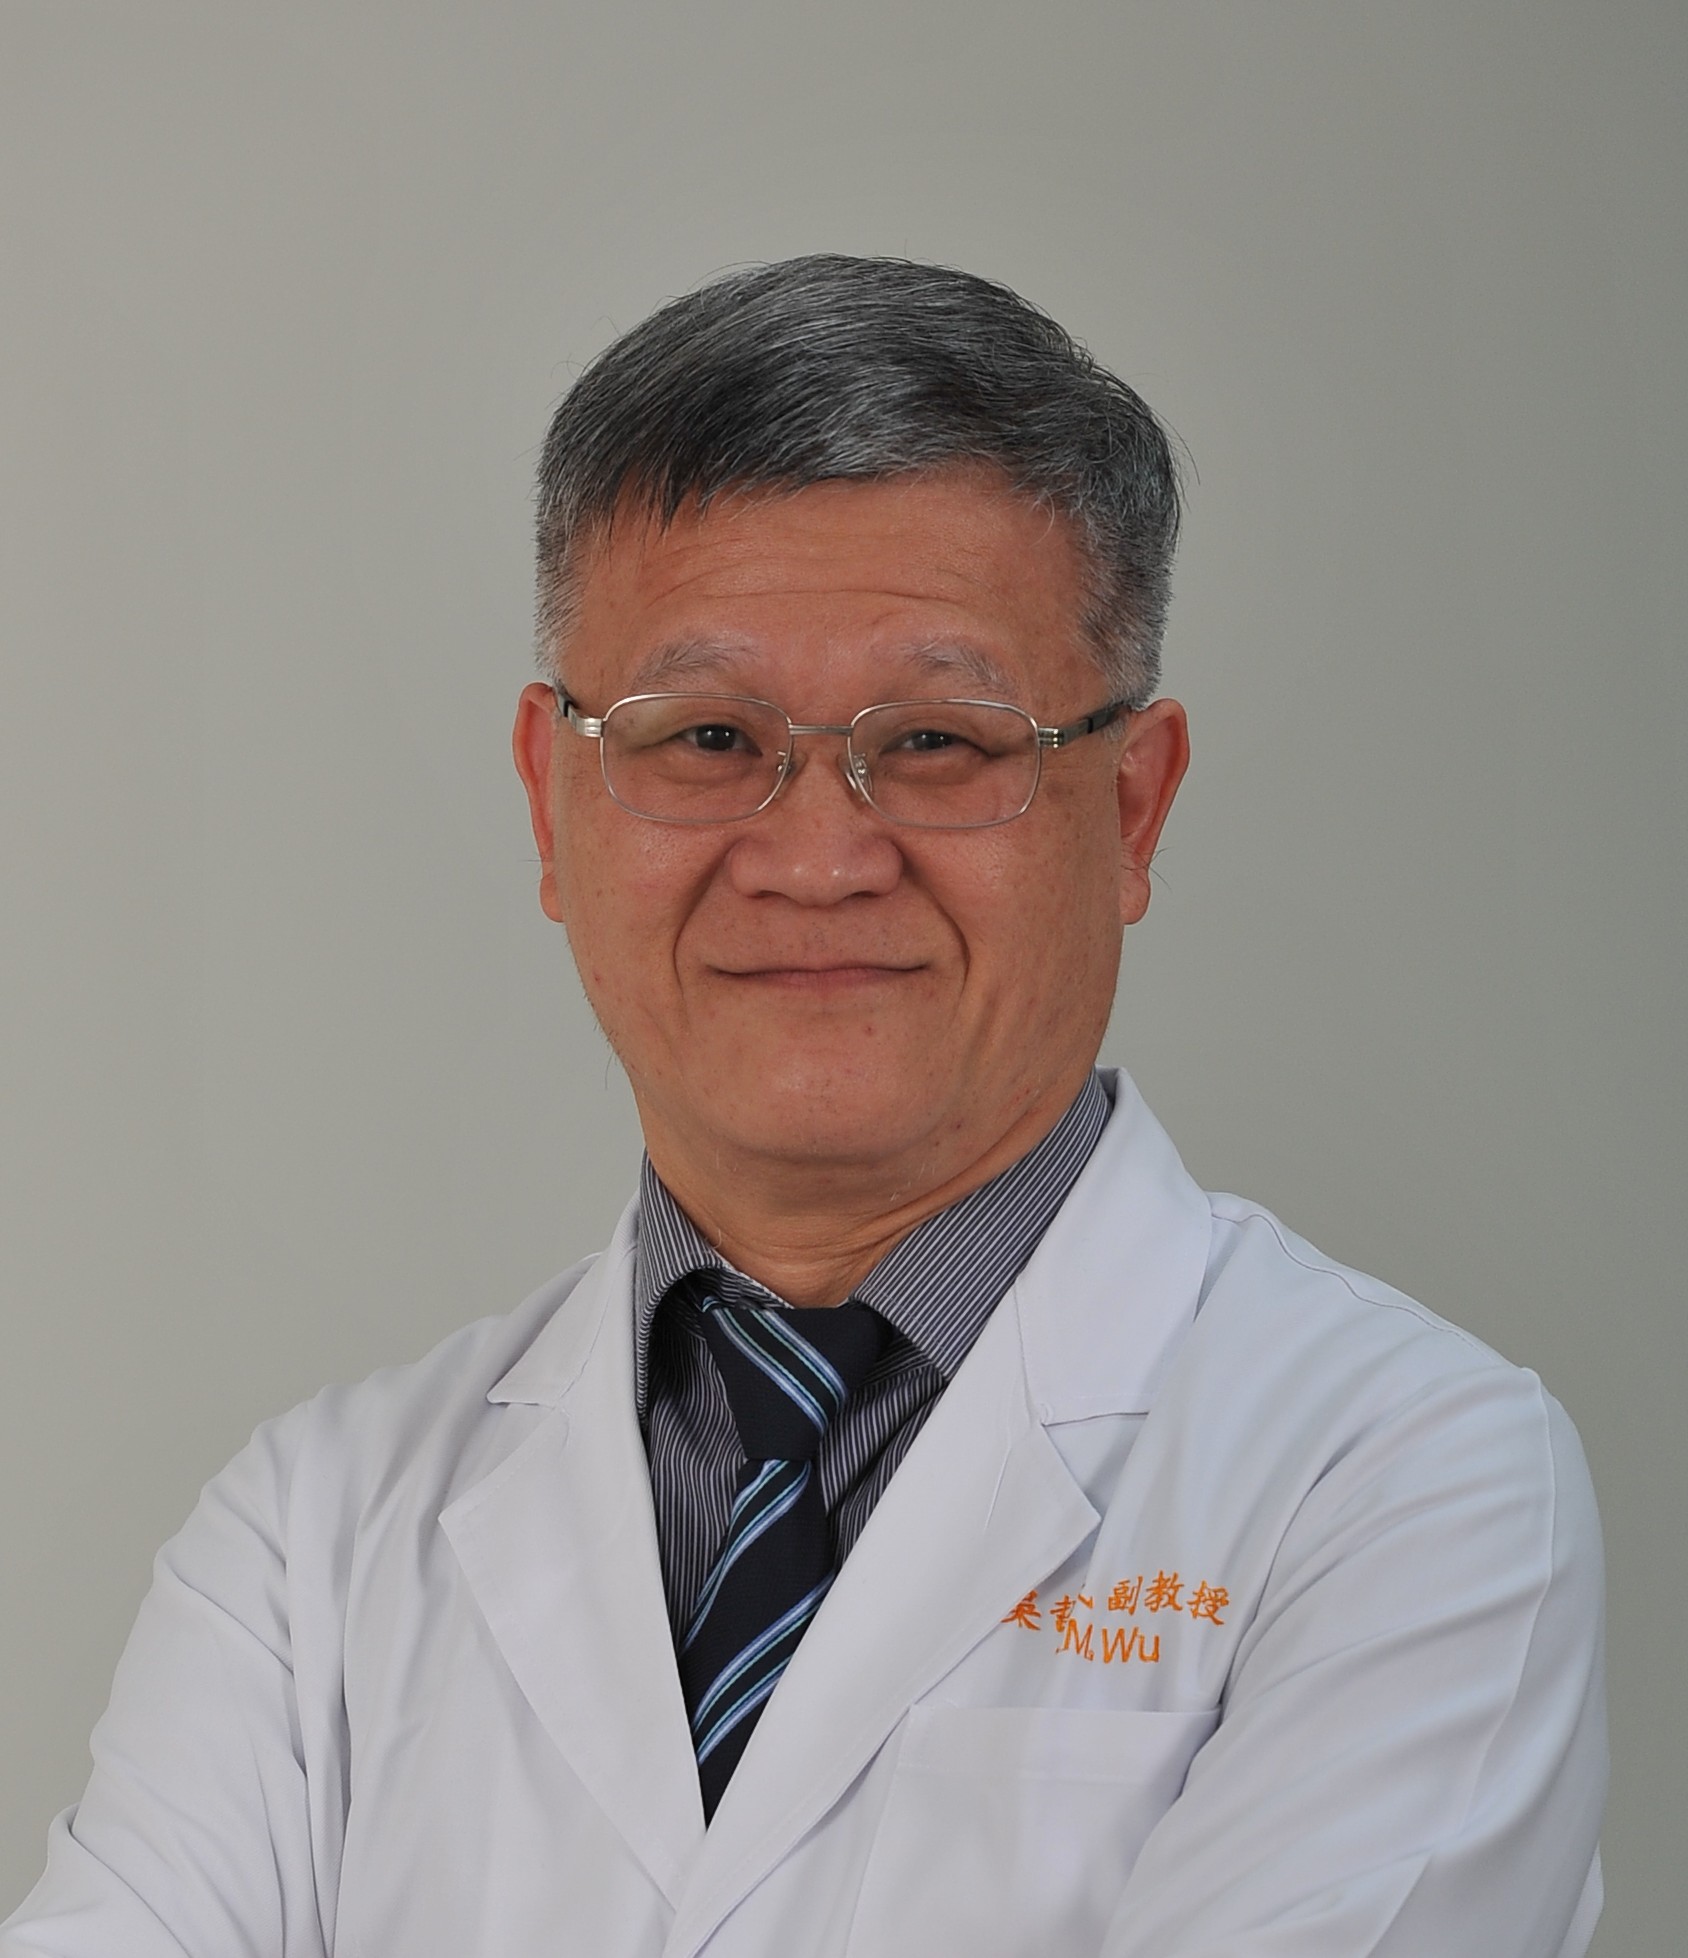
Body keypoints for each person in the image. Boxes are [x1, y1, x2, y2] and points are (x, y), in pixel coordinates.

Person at [1, 256, 1605, 1958]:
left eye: (937, 741)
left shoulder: (1403, 1482)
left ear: (1131, 809)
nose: (818, 858)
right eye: (704, 738)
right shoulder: (312, 1536)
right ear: (552, 801)